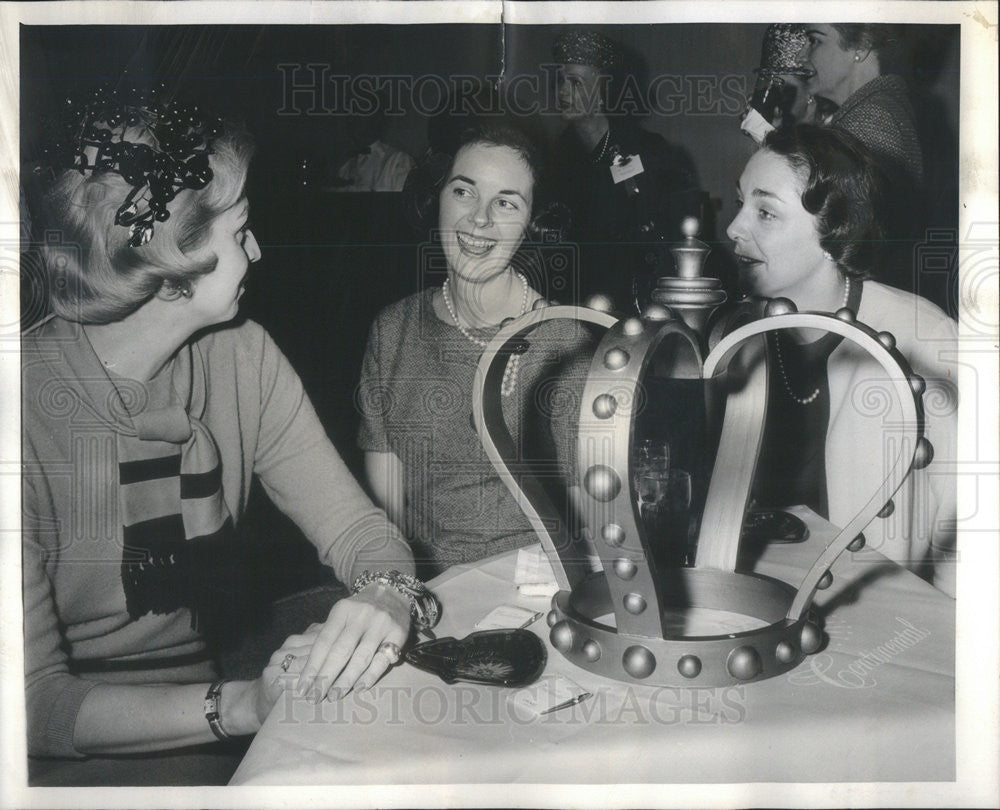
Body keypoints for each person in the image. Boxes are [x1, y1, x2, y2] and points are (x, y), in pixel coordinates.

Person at [22, 88, 435, 785]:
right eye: (240, 231)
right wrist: (241, 707)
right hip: (63, 758)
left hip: (216, 701)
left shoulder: (242, 354)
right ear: (171, 270)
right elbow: (31, 703)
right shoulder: (19, 415)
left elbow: (360, 530)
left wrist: (387, 597)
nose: (259, 249)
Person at [725, 124, 957, 596]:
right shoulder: (730, 333)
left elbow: (971, 520)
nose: (734, 228)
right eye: (740, 203)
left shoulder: (922, 336)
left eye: (765, 212)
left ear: (834, 231)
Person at [357, 121, 588, 578]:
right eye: (464, 192)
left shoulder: (565, 340)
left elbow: (589, 518)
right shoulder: (393, 331)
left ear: (532, 224)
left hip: (537, 589)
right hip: (428, 589)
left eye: (505, 203)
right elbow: (389, 516)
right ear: (437, 198)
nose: (479, 219)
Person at [549, 29, 704, 309]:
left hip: (636, 304)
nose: (562, 91)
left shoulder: (648, 151)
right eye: (560, 81)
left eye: (574, 83)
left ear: (603, 90)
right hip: (571, 304)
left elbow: (670, 239)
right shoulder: (553, 158)